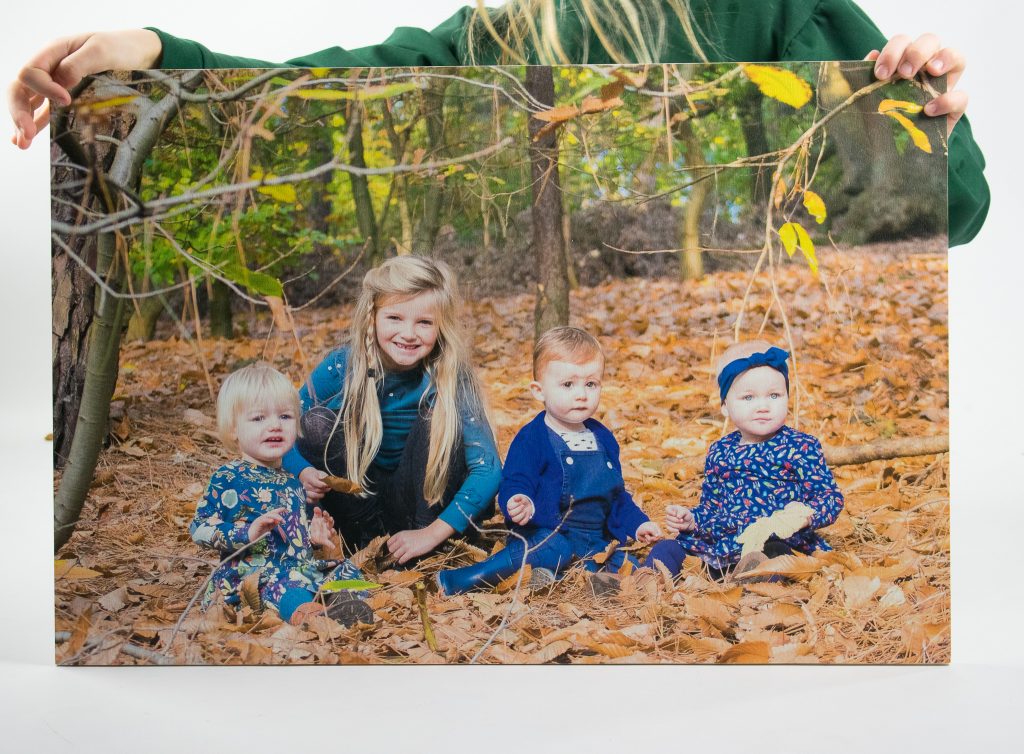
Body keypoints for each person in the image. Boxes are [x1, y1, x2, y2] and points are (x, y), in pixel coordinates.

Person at [9, 1, 987, 246]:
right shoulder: (496, 32)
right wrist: (156, 50)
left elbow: (954, 211)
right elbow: (319, 87)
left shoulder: (778, 10)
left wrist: (923, 102)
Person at [282, 255, 502, 563]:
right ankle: (362, 545)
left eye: (424, 322)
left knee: (444, 418)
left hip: (421, 512)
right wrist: (301, 471)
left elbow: (488, 468)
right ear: (372, 317)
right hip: (357, 507)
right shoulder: (343, 365)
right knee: (314, 423)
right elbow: (282, 428)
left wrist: (432, 533)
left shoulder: (451, 375)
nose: (408, 333)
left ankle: (421, 550)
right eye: (395, 318)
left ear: (441, 326)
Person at [436, 326, 662, 596]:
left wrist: (638, 524)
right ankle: (471, 577)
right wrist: (519, 500)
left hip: (594, 542)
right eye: (568, 385)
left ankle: (566, 579)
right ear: (539, 391)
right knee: (553, 549)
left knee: (628, 565)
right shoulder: (533, 437)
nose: (581, 394)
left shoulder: (603, 438)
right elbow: (515, 480)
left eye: (591, 384)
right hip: (547, 533)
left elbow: (617, 497)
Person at [190, 363, 374, 627]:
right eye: (258, 418)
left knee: (344, 570)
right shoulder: (229, 478)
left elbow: (292, 538)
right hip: (254, 577)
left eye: (285, 417)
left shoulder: (292, 480)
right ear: (233, 429)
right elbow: (200, 528)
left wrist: (313, 538)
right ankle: (311, 617)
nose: (275, 426)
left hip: (297, 569)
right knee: (284, 585)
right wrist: (247, 533)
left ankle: (345, 604)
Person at [642, 340, 844, 580]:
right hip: (724, 541)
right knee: (668, 548)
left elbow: (830, 497)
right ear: (725, 406)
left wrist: (806, 515)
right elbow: (711, 507)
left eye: (774, 395)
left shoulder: (801, 446)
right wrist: (692, 520)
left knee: (774, 554)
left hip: (775, 537)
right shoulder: (720, 451)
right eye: (748, 398)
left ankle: (754, 586)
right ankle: (645, 582)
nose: (763, 406)